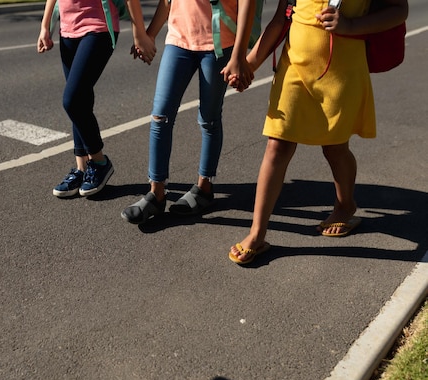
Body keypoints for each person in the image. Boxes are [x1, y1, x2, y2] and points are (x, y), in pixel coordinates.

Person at [228, 0, 409, 264]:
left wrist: (350, 24)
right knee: (277, 144)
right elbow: (282, 17)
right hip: (294, 67)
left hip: (342, 69)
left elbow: (399, 9)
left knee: (335, 148)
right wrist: (248, 65)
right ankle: (257, 233)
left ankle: (345, 205)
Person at [120, 0, 257, 224]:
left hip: (219, 42)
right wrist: (150, 34)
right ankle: (156, 193)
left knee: (209, 120)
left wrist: (239, 54)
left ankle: (204, 188)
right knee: (160, 117)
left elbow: (247, 3)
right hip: (178, 40)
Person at [38, 0, 156, 198]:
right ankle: (82, 168)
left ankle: (99, 161)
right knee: (81, 100)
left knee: (72, 100)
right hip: (67, 29)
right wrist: (45, 26)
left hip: (98, 27)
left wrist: (140, 34)